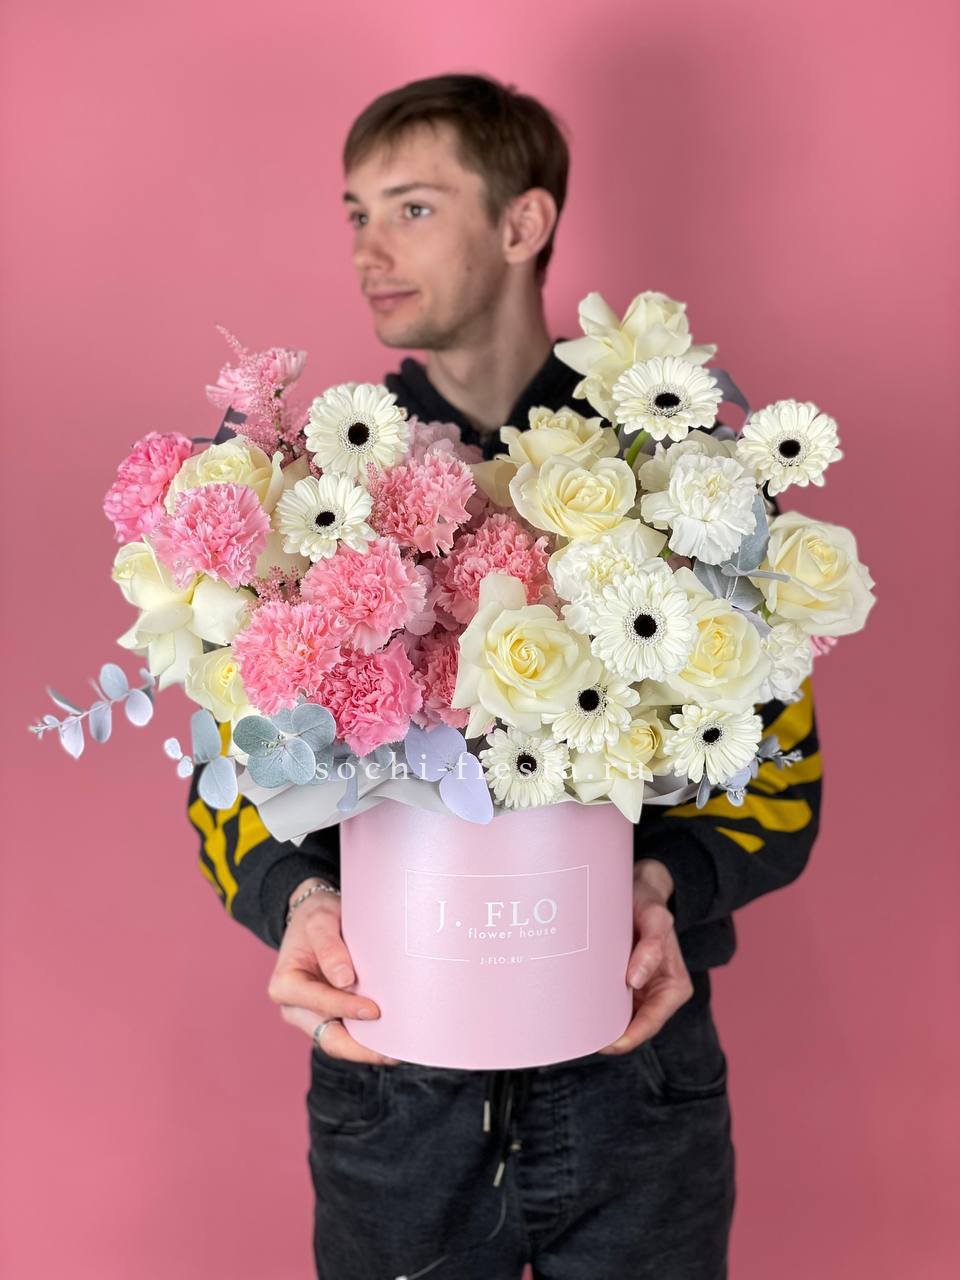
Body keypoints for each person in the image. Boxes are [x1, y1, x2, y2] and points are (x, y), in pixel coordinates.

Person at [187, 74, 823, 1280]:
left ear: (523, 223)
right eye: (356, 212)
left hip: (637, 1074)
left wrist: (659, 887)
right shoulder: (314, 487)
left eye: (413, 207)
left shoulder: (685, 473)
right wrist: (301, 904)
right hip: (395, 1087)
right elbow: (226, 773)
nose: (369, 248)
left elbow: (783, 778)